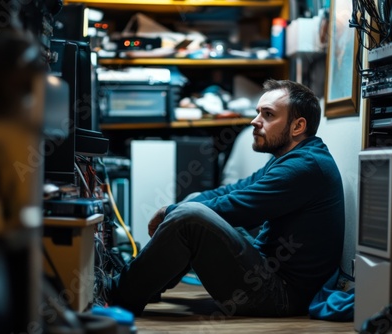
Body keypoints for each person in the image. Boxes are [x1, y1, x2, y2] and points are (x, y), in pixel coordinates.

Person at [106, 79, 345, 317]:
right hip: (265, 270)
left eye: (268, 114)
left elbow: (239, 207)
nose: (255, 121)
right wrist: (178, 207)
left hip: (279, 295)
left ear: (297, 126)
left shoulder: (305, 167)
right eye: (258, 112)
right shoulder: (291, 158)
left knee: (190, 216)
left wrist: (172, 211)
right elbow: (233, 191)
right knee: (194, 200)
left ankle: (117, 293)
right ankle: (145, 285)